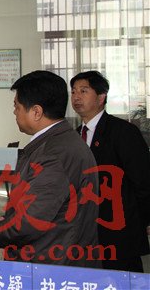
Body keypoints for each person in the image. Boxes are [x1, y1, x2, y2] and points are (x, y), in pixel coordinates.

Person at [0, 71, 99, 267]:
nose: (14, 112)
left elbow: (29, 222)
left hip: (51, 266)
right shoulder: (62, 141)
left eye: (17, 106)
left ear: (36, 112)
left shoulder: (53, 155)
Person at [70, 70, 150, 272]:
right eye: (73, 91)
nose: (76, 97)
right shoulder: (73, 136)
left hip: (119, 232)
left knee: (122, 280)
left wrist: (143, 221)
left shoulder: (123, 132)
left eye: (83, 91)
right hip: (84, 233)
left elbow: (143, 181)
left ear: (101, 97)